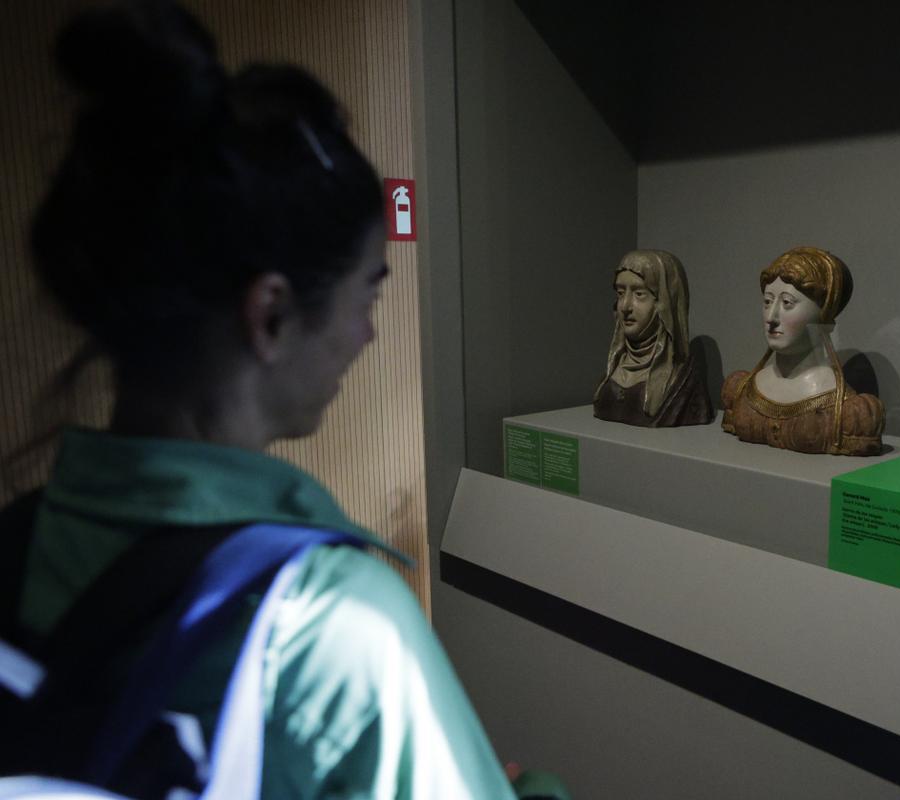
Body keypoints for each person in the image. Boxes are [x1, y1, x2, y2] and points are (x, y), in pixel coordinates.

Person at [3, 1, 554, 797]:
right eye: (368, 294)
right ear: (270, 314)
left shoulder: (17, 546)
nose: (368, 335)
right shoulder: (334, 626)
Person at [721, 246, 884, 456]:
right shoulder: (740, 389)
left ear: (823, 315)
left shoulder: (849, 413)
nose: (771, 317)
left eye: (787, 303)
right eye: (767, 301)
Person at [592, 249, 713, 427]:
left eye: (639, 294)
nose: (625, 306)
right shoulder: (609, 375)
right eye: (620, 293)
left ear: (665, 303)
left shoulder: (683, 382)